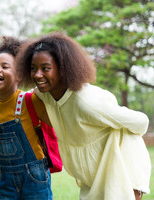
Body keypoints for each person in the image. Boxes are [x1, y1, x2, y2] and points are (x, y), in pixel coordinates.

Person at [15, 32, 151, 200]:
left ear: (63, 68)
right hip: (91, 175)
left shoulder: (86, 102)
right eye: (33, 68)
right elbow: (19, 99)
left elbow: (141, 121)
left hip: (120, 168)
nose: (37, 75)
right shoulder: (45, 94)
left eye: (45, 68)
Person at [0, 36, 53, 199]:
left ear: (19, 75)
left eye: (5, 66)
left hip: (34, 180)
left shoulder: (30, 100)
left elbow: (59, 125)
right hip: (4, 180)